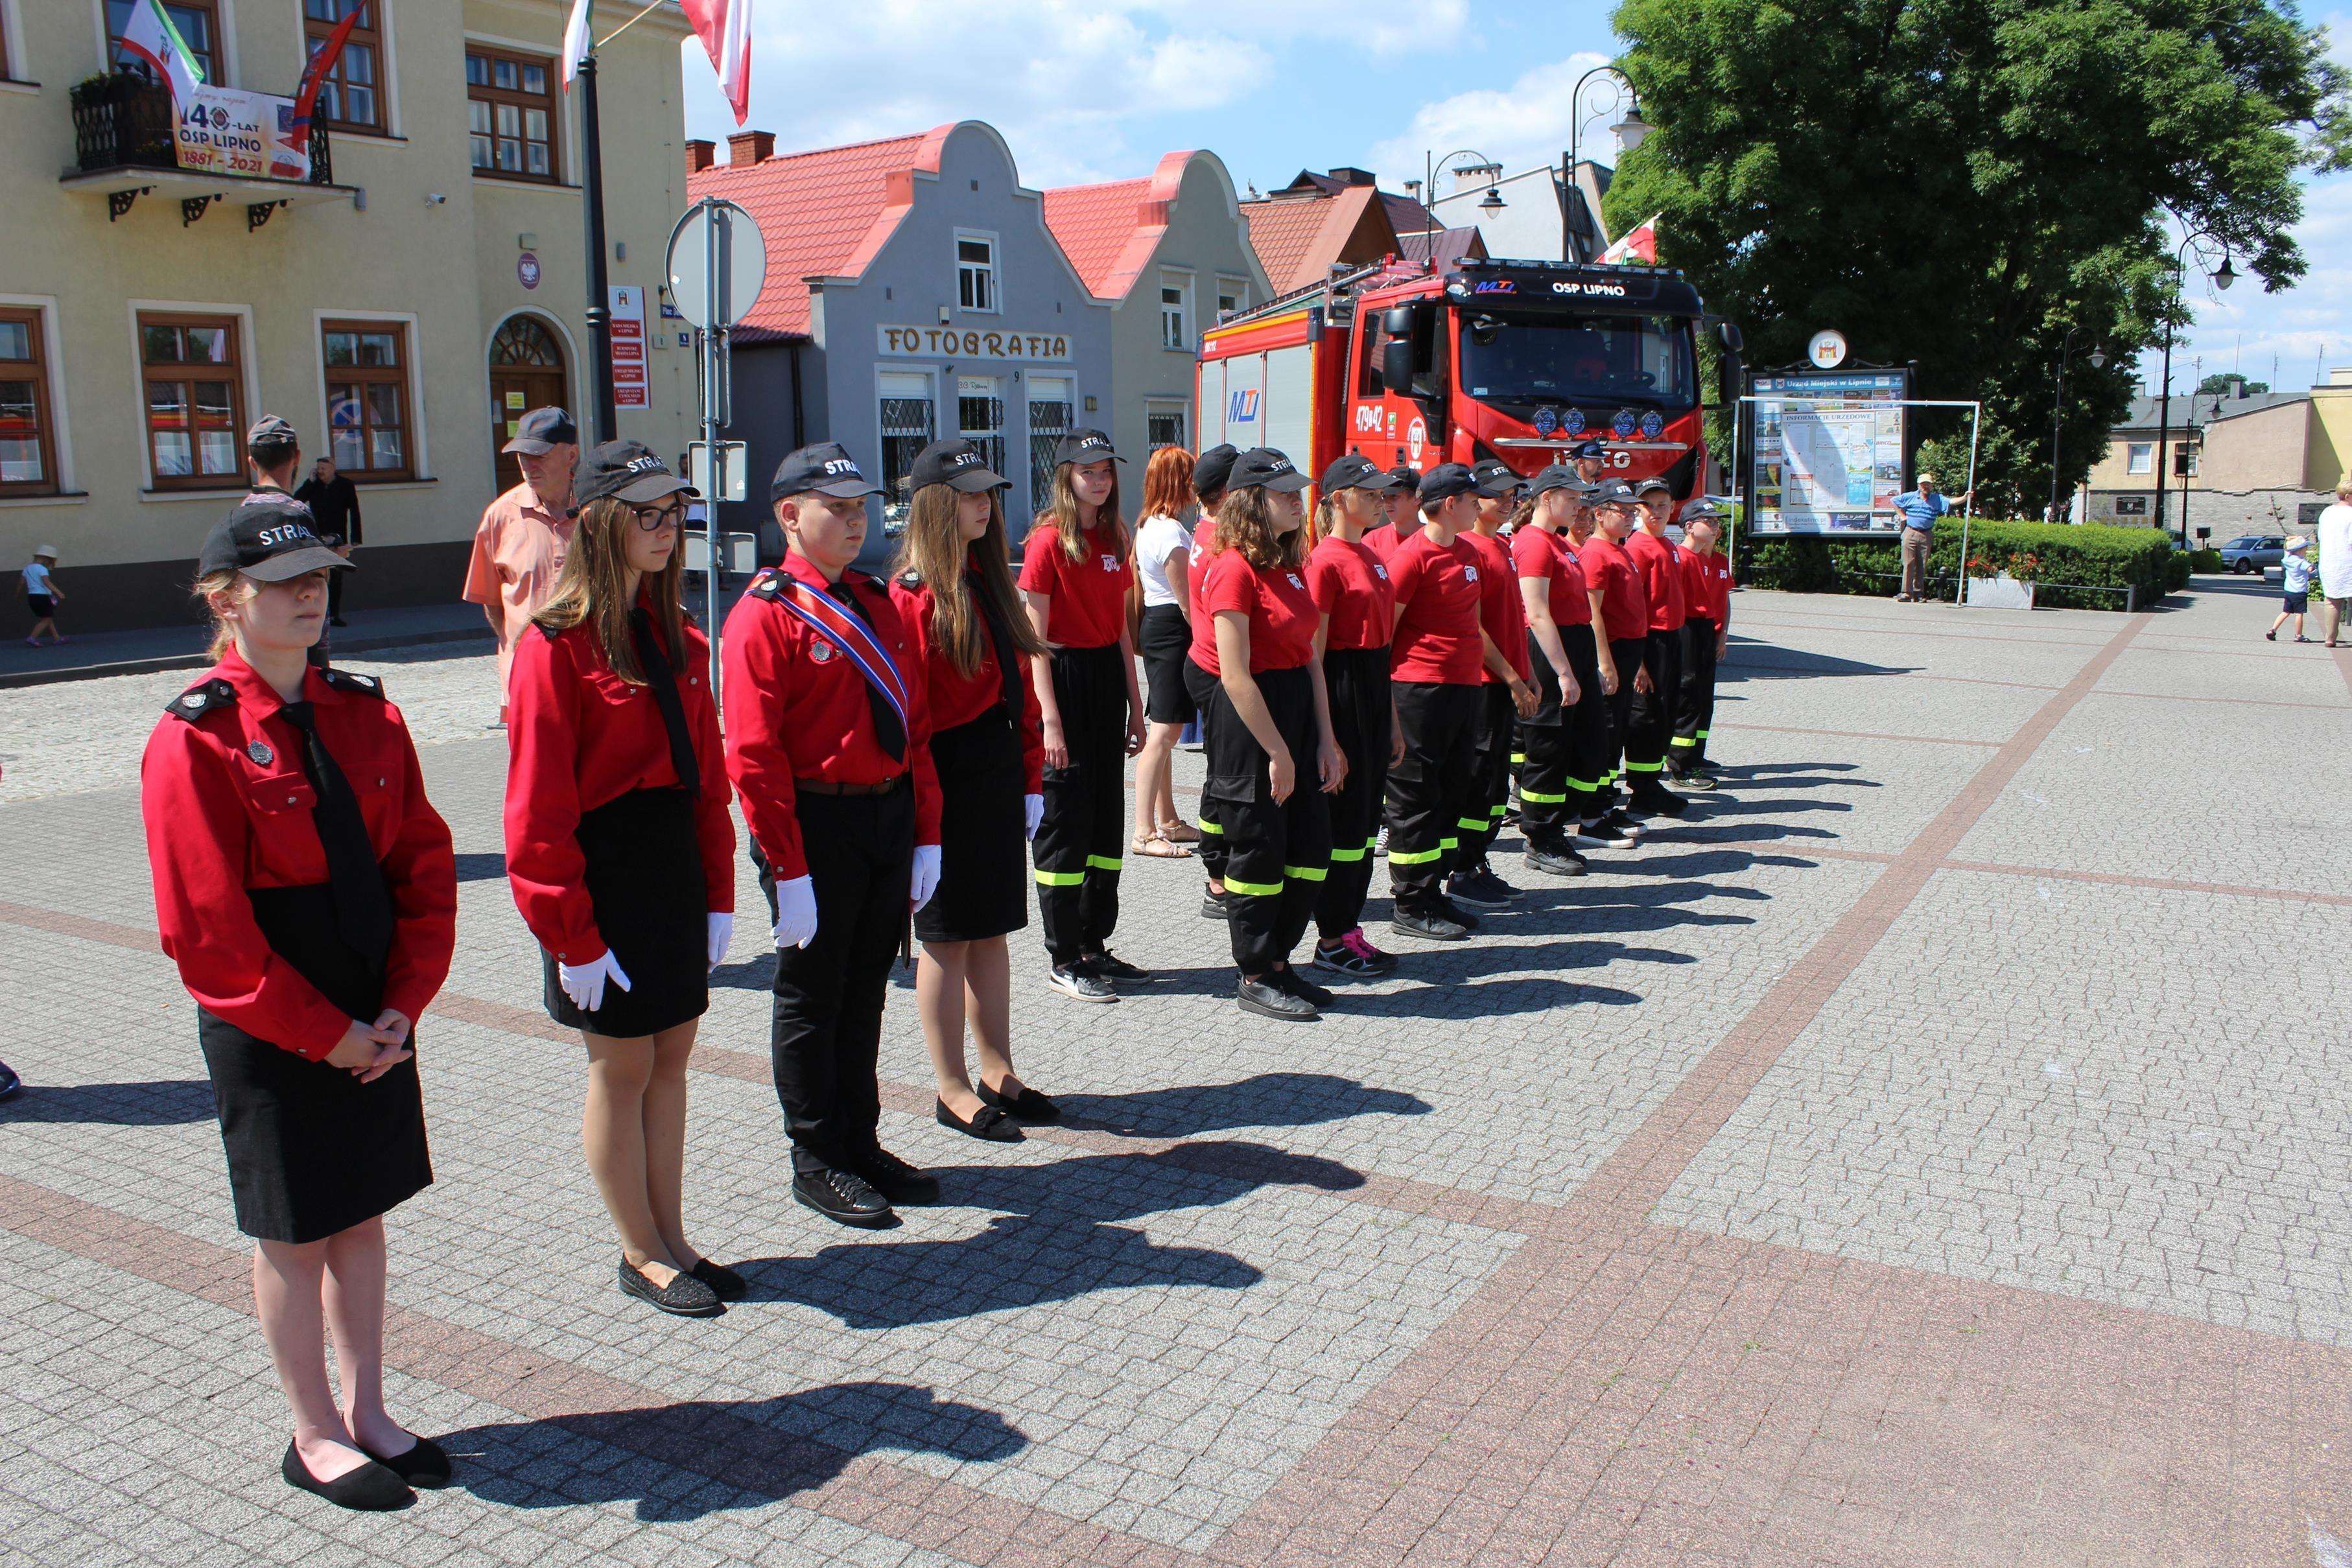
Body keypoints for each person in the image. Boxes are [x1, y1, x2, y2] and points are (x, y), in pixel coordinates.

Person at [141, 502, 457, 1510]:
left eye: (321, 576)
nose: (311, 593)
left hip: (368, 1008)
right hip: (275, 1018)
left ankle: (368, 1410)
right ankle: (312, 1429)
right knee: (293, 1231)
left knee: (360, 1216)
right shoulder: (195, 738)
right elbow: (208, 931)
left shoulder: (368, 711)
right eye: (285, 580)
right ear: (228, 598)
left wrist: (404, 1004)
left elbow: (421, 863)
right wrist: (325, 1035)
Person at [503, 441, 742, 1318]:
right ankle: (637, 1249)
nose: (664, 527)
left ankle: (674, 1235)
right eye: (644, 513)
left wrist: (718, 890)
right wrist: (569, 931)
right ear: (600, 524)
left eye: (672, 512)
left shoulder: (677, 637)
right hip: (602, 876)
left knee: (672, 1059)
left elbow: (706, 780)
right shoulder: (555, 647)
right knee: (623, 1066)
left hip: (671, 865)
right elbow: (536, 813)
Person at [723, 443, 941, 1228]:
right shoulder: (766, 613)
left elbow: (913, 726)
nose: (857, 523)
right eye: (838, 510)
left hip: (884, 814)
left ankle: (861, 1140)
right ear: (790, 515)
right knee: (814, 996)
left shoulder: (876, 601)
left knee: (864, 994)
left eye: (861, 510)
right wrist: (787, 869)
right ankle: (816, 1156)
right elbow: (753, 756)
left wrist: (927, 832)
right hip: (813, 822)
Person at [888, 438, 1058, 1142]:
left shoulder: (986, 582)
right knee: (946, 941)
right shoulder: (911, 598)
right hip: (943, 779)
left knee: (992, 932)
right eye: (967, 495)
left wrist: (1027, 779)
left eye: (987, 494)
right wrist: (923, 823)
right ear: (935, 505)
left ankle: (998, 1069)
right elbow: (911, 722)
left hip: (989, 773)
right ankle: (950, 1085)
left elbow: (1015, 692)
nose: (983, 505)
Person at [1192, 448, 1339, 1018]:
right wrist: (1278, 751)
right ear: (1253, 502)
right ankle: (1255, 971)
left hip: (1298, 710)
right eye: (1284, 493)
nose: (1297, 501)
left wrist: (1325, 739)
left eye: (1297, 491)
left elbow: (1309, 658)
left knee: (1309, 847)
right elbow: (1233, 675)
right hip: (1252, 719)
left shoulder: (1289, 563)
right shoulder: (1232, 567)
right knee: (1258, 848)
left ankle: (1281, 959)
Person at [1018, 428, 1147, 1000]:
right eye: (1088, 470)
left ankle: (1095, 943)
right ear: (1065, 475)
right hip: (1063, 679)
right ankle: (1063, 953)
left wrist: (1136, 705)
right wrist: (1049, 719)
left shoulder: (1116, 534)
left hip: (1105, 680)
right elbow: (1035, 639)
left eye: (1106, 470)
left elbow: (1120, 627)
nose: (1099, 479)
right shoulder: (1047, 542)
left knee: (1103, 822)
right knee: (1066, 822)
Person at [1384, 463, 1492, 942]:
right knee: (1416, 799)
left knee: (1452, 792)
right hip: (1419, 692)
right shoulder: (1412, 558)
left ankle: (1435, 891)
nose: (1480, 507)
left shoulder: (1469, 552)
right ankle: (1410, 901)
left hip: (1463, 689)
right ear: (1451, 504)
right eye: (1474, 500)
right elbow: (1384, 633)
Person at [1306, 456, 1404, 976]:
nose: (1380, 500)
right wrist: (1328, 735)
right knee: (1344, 825)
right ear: (1339, 498)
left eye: (1382, 492)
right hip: (1341, 692)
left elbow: (1382, 648)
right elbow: (1314, 656)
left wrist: (1391, 718)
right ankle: (1331, 936)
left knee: (1366, 823)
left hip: (1371, 688)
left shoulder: (1372, 555)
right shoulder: (1324, 561)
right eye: (1369, 493)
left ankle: (1349, 928)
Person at [1448, 461, 1538, 909]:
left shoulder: (1501, 544)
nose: (1508, 501)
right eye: (1497, 494)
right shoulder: (1469, 548)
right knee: (1479, 779)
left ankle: (1477, 862)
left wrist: (1530, 673)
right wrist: (1511, 678)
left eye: (1511, 495)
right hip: (1484, 683)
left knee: (1495, 783)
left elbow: (1513, 620)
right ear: (1474, 499)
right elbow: (1476, 629)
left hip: (1508, 679)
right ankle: (1461, 870)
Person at [463, 407, 580, 727]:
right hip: (528, 678)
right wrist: (520, 647)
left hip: (590, 674)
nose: (528, 465)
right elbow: (492, 602)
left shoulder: (597, 512)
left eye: (539, 455)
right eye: (521, 455)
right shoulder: (501, 515)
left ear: (571, 455)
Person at [1512, 467, 1603, 877]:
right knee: (1547, 750)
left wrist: (1588, 664)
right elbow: (1537, 612)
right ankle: (1541, 836)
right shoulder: (1533, 543)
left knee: (1581, 746)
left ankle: (1559, 825)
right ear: (1547, 498)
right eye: (1571, 498)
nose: (1579, 505)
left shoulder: (1558, 542)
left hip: (1574, 645)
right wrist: (1564, 672)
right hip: (1552, 650)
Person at [1131, 445, 1200, 860]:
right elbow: (1188, 601)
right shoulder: (1172, 533)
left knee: (1164, 727)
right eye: (1189, 476)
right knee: (1165, 732)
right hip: (1172, 628)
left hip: (1158, 627)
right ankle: (1143, 831)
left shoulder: (1148, 525)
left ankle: (1168, 820)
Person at [1186, 444, 1241, 919]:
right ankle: (1217, 880)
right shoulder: (1222, 540)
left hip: (1210, 666)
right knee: (1223, 779)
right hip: (1217, 672)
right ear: (1226, 493)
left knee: (1220, 773)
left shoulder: (1206, 530)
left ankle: (1220, 872)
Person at [1621, 480, 1690, 817]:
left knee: (1665, 714)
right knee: (1645, 716)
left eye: (1663, 504)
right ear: (1638, 510)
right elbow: (1634, 608)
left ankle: (1652, 780)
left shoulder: (1668, 544)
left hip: (1672, 637)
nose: (1657, 511)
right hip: (1650, 640)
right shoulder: (1638, 548)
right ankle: (1641, 787)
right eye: (1650, 506)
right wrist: (1640, 664)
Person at [1671, 501, 1733, 783]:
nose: (1716, 526)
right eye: (1708, 521)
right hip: (1686, 627)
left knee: (1704, 697)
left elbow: (1724, 600)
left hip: (1707, 629)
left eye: (1716, 521)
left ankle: (1696, 755)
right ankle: (1680, 765)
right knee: (1688, 695)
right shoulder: (1680, 558)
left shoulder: (1712, 560)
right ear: (1689, 527)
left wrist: (1722, 634)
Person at [296, 458, 363, 625]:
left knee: (336, 578)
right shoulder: (314, 484)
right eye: (318, 468)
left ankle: (334, 615)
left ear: (333, 468)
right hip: (317, 538)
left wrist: (355, 538)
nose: (320, 471)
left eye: (323, 468)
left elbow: (354, 510)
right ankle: (319, 615)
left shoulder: (345, 485)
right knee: (317, 577)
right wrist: (309, 483)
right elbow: (296, 502)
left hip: (337, 539)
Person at [1892, 473, 1970, 602]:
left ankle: (1918, 593)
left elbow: (1951, 501)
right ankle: (1906, 593)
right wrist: (1902, 515)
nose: (1926, 486)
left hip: (1926, 534)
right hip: (1910, 532)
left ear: (1932, 485)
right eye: (1923, 484)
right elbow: (1894, 501)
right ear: (1919, 485)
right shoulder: (1910, 497)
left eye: (1928, 484)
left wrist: (1965, 497)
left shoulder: (1937, 499)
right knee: (1909, 564)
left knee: (1922, 565)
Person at [2318, 480, 2352, 647]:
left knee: (2332, 600)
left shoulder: (2327, 512)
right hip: (2348, 562)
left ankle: (2330, 638)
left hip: (2329, 561)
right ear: (2348, 496)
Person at [2269, 535, 2316, 643]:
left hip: (2289, 591)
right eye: (2305, 549)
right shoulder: (2302, 562)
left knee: (2285, 612)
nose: (2306, 551)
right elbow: (2311, 570)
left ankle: (2273, 630)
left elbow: (2287, 546)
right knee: (2299, 614)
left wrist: (2293, 539)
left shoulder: (2287, 558)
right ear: (2299, 550)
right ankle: (2298, 635)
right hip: (2300, 591)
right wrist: (2313, 568)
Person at [21, 544, 63, 646]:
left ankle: (57, 638)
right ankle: (32, 638)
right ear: (47, 559)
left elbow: (21, 583)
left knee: (47, 618)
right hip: (43, 597)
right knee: (46, 620)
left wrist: (17, 594)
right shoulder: (42, 569)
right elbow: (47, 583)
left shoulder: (27, 569)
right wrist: (58, 592)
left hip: (32, 596)